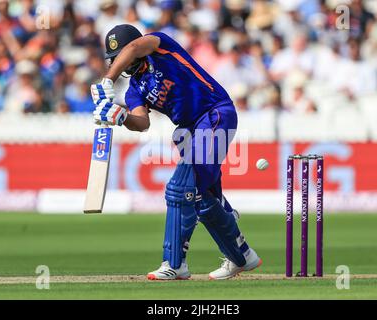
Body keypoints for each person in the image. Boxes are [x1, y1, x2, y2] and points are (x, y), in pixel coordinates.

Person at [90, 24, 262, 280]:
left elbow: (136, 46)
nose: (118, 63)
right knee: (202, 198)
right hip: (190, 130)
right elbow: (142, 123)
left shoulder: (159, 45)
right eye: (113, 61)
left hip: (215, 112)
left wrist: (107, 80)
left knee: (180, 188)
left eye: (119, 57)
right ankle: (242, 255)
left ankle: (174, 264)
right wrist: (121, 115)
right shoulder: (136, 88)